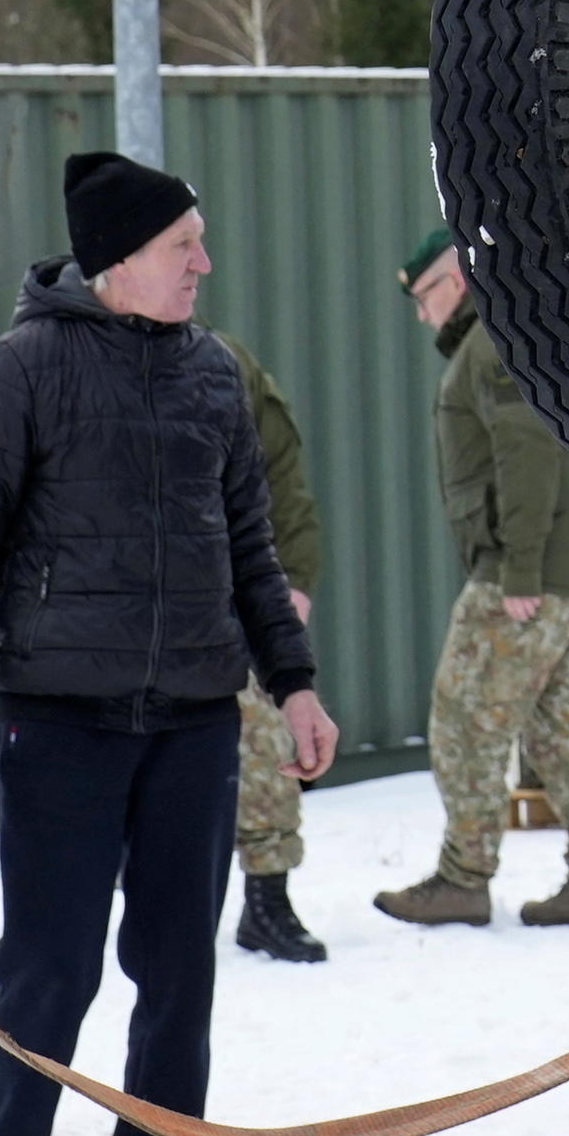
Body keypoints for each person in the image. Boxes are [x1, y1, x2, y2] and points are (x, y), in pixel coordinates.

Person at [0, 148, 335, 1136]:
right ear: (116, 265)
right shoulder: (24, 369)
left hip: (194, 723)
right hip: (62, 724)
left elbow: (250, 547)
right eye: (181, 245)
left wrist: (291, 681)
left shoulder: (211, 378)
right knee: (47, 977)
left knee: (177, 978)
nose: (204, 262)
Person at [376, 225, 569, 933]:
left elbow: (527, 453)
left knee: (463, 716)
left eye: (423, 297)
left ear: (451, 281)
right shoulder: (507, 337)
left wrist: (519, 566)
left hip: (533, 568)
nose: (422, 313)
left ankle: (463, 877)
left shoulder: (491, 345)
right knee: (565, 725)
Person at [214, 327, 331, 963]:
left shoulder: (230, 366)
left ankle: (267, 899)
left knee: (263, 742)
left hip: (236, 589)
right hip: (127, 607)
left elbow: (284, 480)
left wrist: (295, 582)